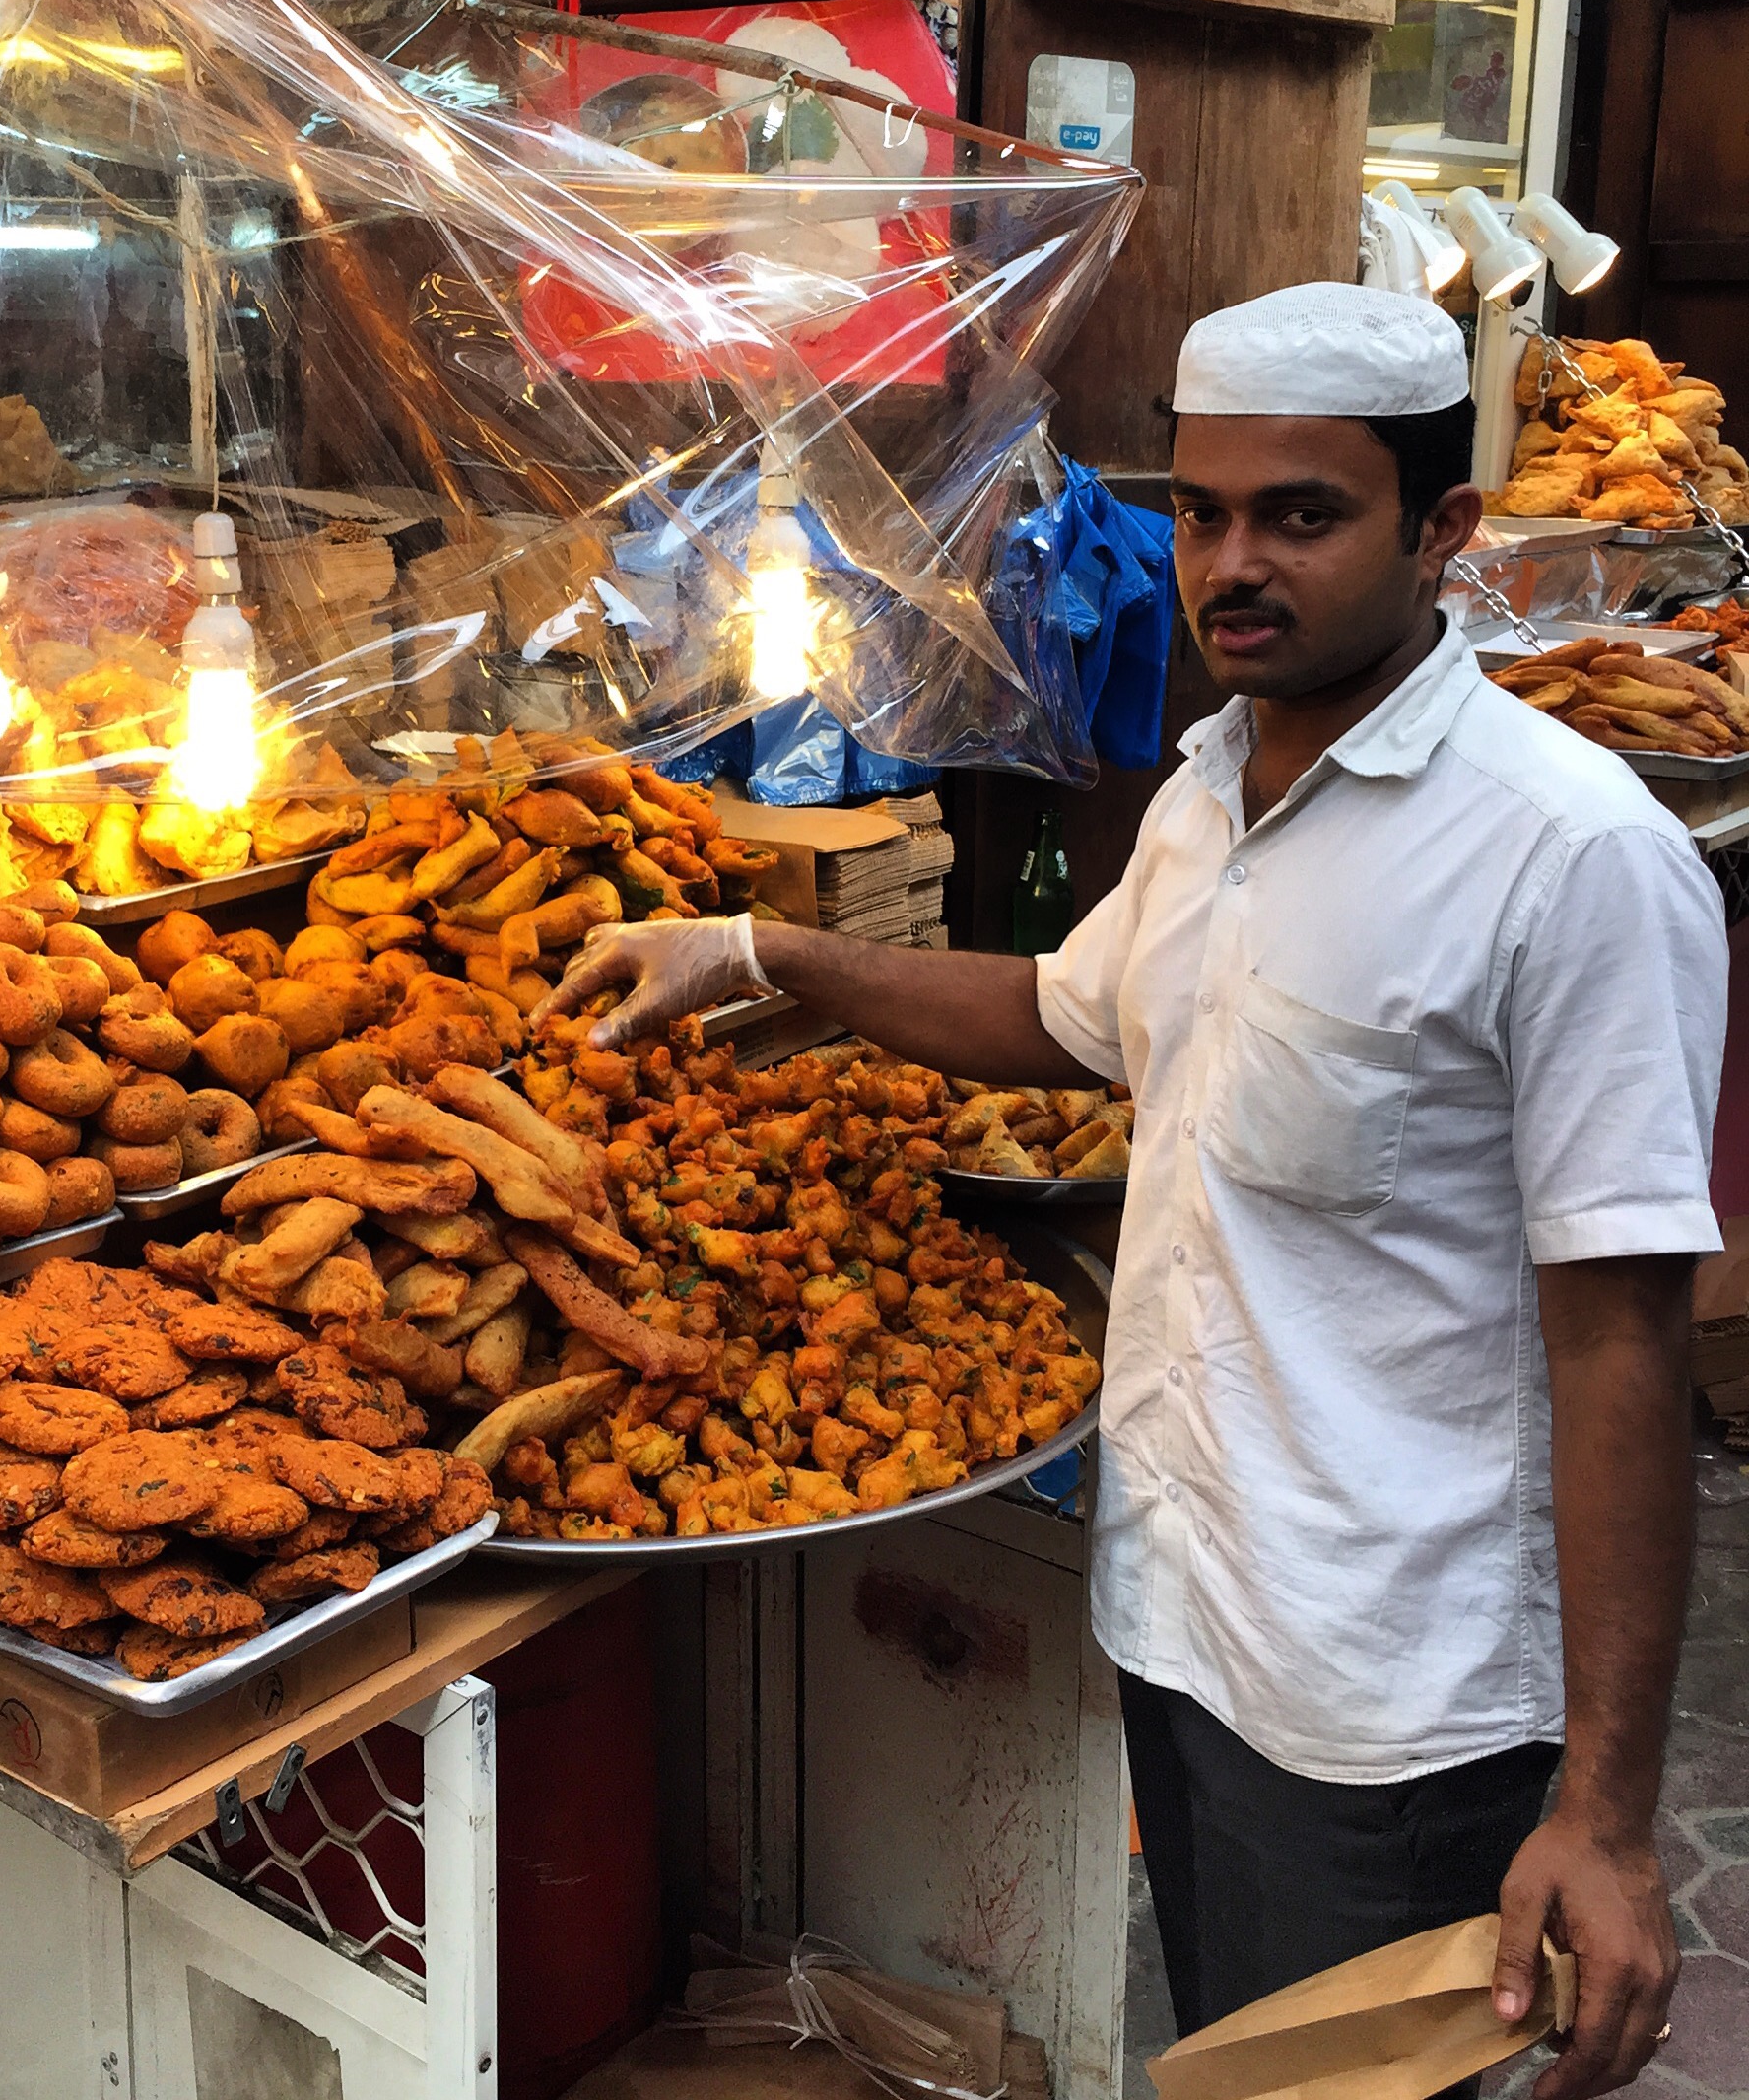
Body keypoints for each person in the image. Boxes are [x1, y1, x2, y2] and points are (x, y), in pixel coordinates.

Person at [544, 281, 1718, 2100]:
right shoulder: (1207, 795)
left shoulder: (1573, 862)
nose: (1232, 564)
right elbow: (1062, 1015)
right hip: (1180, 1609)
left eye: (1303, 516)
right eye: (1202, 512)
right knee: (1228, 2045)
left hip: (1384, 1701)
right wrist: (761, 949)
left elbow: (1627, 1347)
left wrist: (1612, 1816)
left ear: (1444, 531)